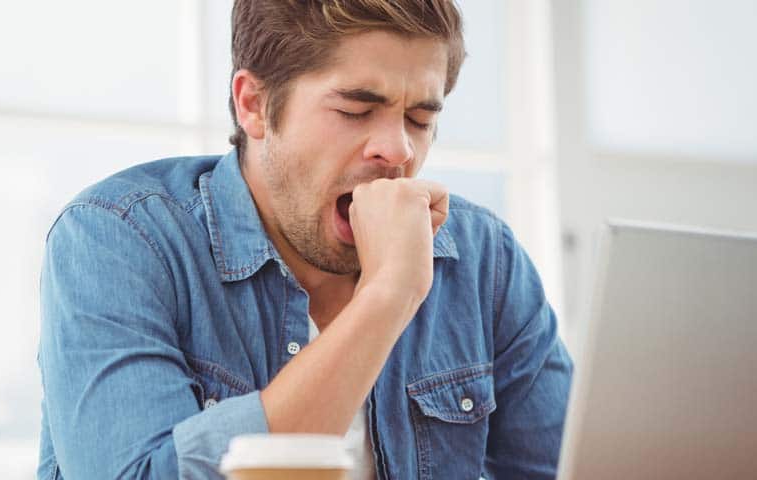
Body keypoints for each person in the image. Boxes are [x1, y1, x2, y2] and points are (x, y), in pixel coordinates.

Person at [37, 1, 572, 478]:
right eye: (355, 111)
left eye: (418, 118)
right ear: (254, 105)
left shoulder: (485, 261)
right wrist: (387, 297)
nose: (398, 149)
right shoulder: (118, 237)